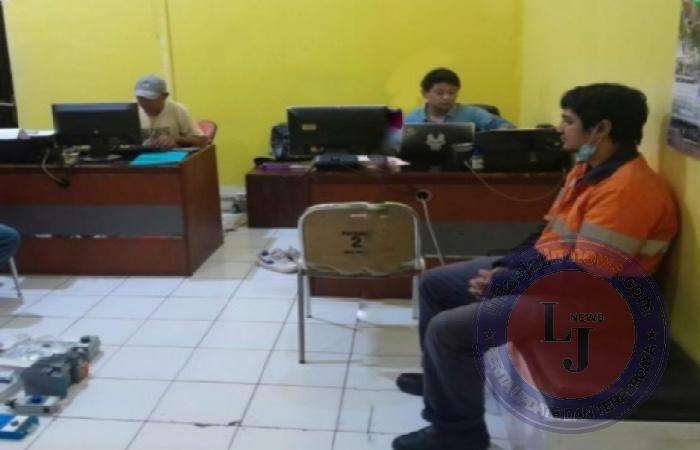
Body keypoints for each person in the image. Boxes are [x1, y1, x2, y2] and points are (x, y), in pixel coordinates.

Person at [392, 83, 678, 450]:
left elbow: (586, 278)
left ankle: (458, 435)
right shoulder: (587, 170)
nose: (560, 128)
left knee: (448, 331)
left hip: (595, 305)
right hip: (558, 281)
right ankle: (440, 382)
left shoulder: (628, 191)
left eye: (568, 121)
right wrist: (505, 267)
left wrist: (505, 282)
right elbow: (545, 236)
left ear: (601, 129)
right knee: (434, 283)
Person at [404, 68, 515, 130]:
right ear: (425, 93)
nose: (446, 97)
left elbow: (508, 128)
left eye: (452, 93)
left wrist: (501, 130)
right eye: (440, 93)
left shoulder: (472, 114)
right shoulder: (412, 119)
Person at [134, 75, 208, 148]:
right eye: (140, 98)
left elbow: (202, 141)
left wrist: (176, 140)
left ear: (164, 96)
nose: (144, 103)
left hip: (171, 154)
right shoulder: (132, 110)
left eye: (150, 99)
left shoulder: (177, 110)